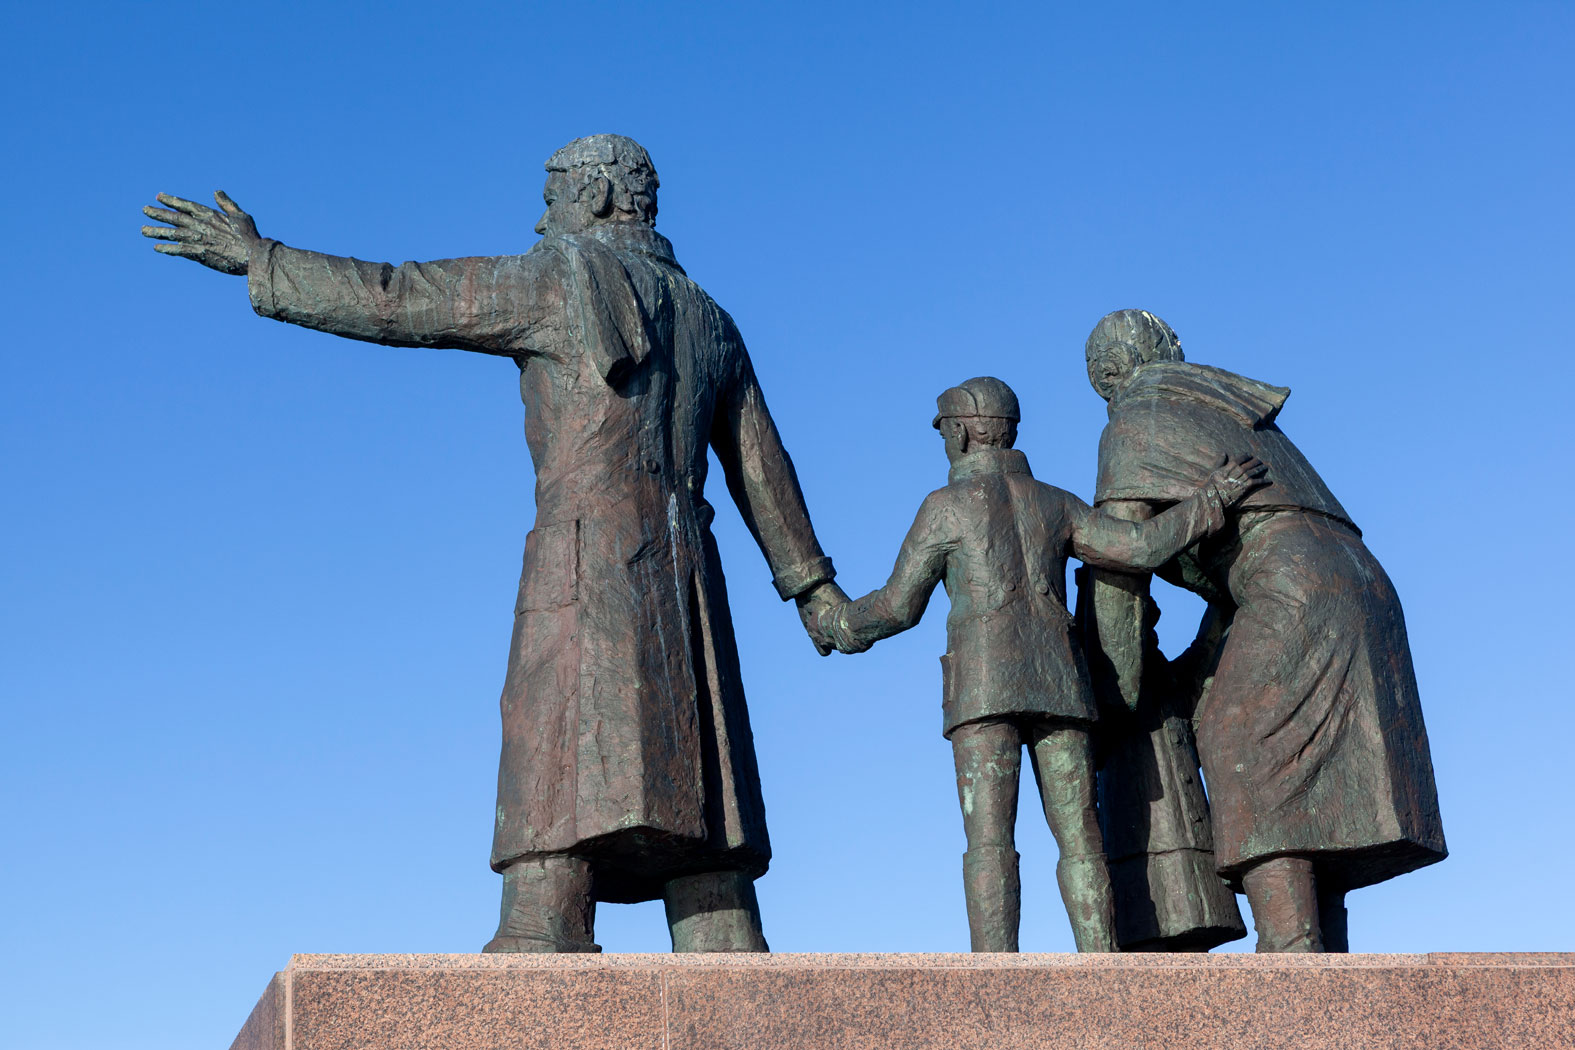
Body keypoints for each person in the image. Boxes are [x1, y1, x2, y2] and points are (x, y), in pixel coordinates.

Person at [141, 134, 849, 953]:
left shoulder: (558, 278)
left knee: (555, 762)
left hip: (587, 554)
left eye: (550, 198)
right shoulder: (709, 317)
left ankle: (542, 924)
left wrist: (263, 260)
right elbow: (764, 468)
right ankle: (718, 933)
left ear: (595, 196)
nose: (539, 215)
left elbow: (396, 297)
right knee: (704, 815)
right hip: (687, 574)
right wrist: (812, 589)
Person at [816, 377, 1265, 951]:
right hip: (1060, 685)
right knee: (1082, 839)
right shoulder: (1055, 502)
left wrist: (838, 625)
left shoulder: (944, 508)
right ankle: (1100, 967)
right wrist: (1211, 500)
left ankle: (996, 973)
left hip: (982, 688)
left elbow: (898, 607)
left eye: (946, 430)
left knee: (988, 841)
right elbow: (1142, 547)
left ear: (962, 431)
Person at [1082, 309, 1447, 952]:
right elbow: (1235, 585)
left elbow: (1120, 569)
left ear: (1108, 375)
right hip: (1360, 582)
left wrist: (1116, 692)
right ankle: (1316, 958)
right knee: (1315, 772)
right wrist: (1198, 661)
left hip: (1292, 579)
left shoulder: (1136, 418)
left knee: (1238, 738)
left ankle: (1288, 951)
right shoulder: (1230, 411)